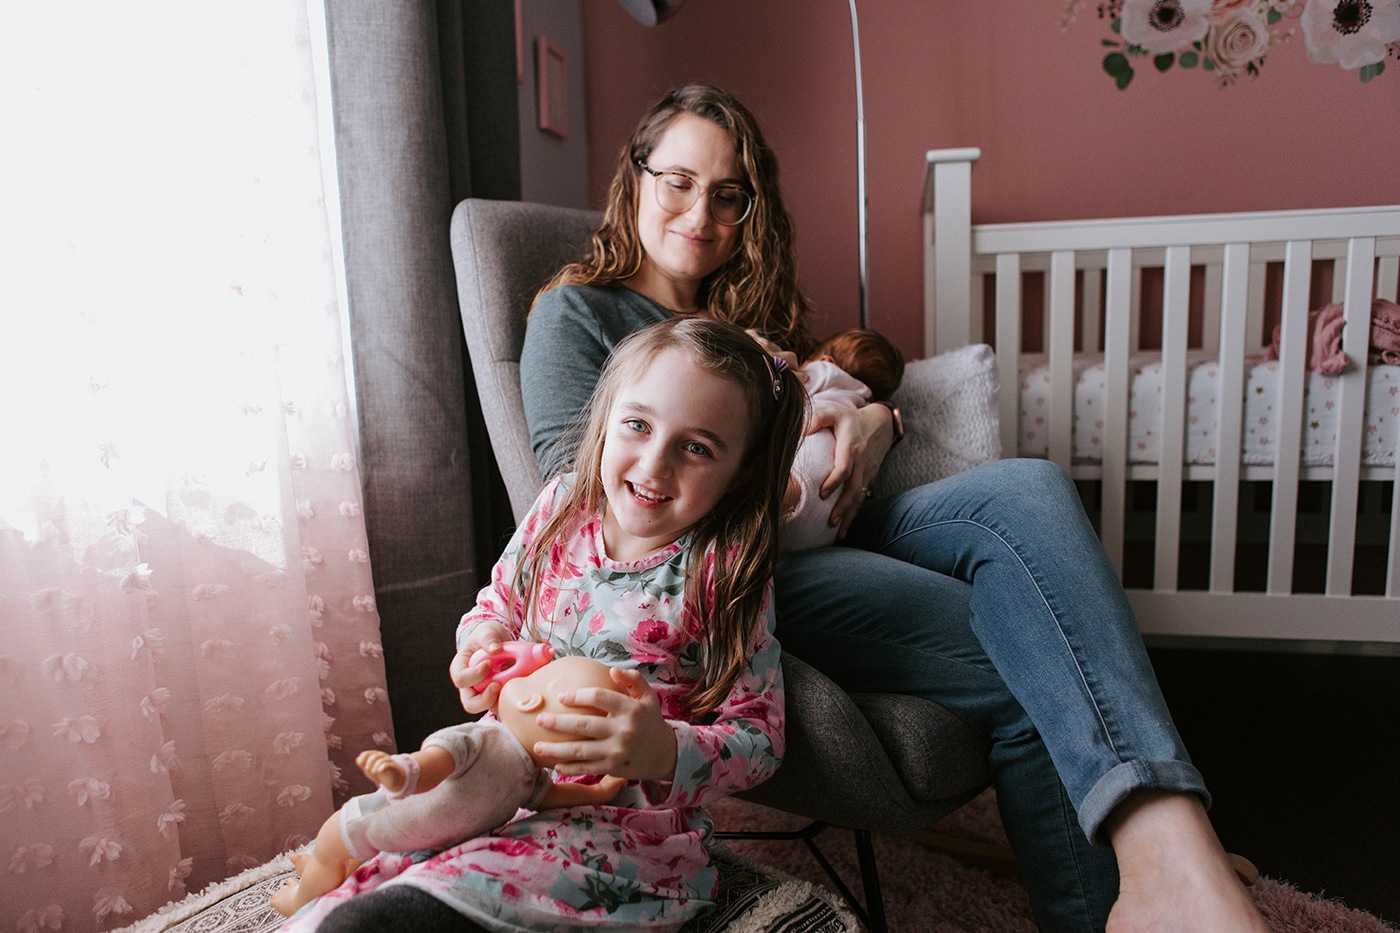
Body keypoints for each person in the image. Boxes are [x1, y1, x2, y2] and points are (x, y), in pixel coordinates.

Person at [518, 84, 1268, 932]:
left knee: (1029, 488)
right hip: (728, 571)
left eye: (729, 194)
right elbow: (585, 508)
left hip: (836, 518)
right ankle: (1150, 867)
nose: (703, 212)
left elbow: (835, 383)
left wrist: (875, 420)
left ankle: (1163, 846)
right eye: (679, 181)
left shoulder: (748, 312)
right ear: (636, 177)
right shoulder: (579, 311)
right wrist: (767, 471)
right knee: (1030, 646)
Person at [279, 316, 807, 932]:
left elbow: (761, 740)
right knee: (365, 883)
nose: (654, 464)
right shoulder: (562, 509)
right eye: (637, 425)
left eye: (696, 447)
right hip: (496, 779)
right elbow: (495, 605)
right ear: (607, 419)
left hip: (621, 832)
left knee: (418, 908)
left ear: (741, 471)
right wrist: (482, 646)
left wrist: (662, 750)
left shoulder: (722, 571)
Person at [269, 651, 628, 918]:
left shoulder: (498, 750)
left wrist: (399, 773)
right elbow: (551, 797)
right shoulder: (512, 763)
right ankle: (314, 883)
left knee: (335, 848)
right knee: (340, 851)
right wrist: (599, 792)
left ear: (529, 699)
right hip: (401, 829)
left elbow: (434, 766)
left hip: (391, 826)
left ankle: (311, 884)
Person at [779, 328, 904, 552]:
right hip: (828, 524)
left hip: (804, 466)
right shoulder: (860, 400)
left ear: (824, 359)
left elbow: (785, 390)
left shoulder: (822, 372)